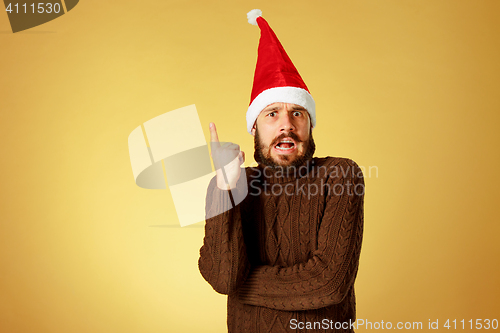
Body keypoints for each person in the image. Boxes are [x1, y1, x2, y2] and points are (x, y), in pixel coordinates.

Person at [199, 9, 364, 333]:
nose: (286, 125)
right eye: (272, 114)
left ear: (310, 124)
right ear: (255, 128)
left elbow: (328, 284)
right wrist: (225, 188)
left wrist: (243, 287)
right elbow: (223, 277)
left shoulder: (340, 175)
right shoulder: (229, 185)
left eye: (297, 113)